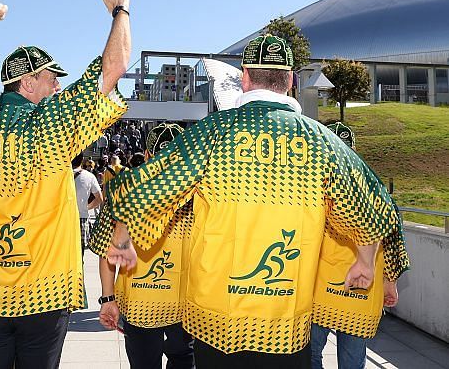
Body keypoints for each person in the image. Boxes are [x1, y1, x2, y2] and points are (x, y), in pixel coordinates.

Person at [102, 34, 399, 368]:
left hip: (216, 323)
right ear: (290, 81)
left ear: (244, 78)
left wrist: (124, 241)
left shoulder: (211, 133)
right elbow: (375, 208)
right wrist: (364, 258)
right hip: (285, 324)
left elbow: (142, 190)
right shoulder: (322, 142)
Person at [0, 0, 131, 369]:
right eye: (51, 78)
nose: (57, 86)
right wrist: (120, 9)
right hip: (45, 294)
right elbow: (114, 69)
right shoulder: (52, 125)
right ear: (27, 83)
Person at [91, 123, 194, 369]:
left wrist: (108, 298)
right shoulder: (197, 194)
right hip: (185, 307)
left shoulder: (123, 192)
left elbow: (107, 253)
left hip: (140, 305)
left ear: (147, 155)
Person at [310, 122, 410, 369]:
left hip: (319, 291)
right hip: (361, 292)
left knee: (310, 355)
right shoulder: (375, 188)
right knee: (353, 362)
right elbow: (392, 238)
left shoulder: (315, 186)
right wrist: (390, 283)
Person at [73, 153, 103, 252]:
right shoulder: (89, 176)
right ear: (82, 160)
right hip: (81, 217)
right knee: (79, 252)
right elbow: (99, 198)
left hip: (63, 219)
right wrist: (87, 207)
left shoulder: (60, 176)